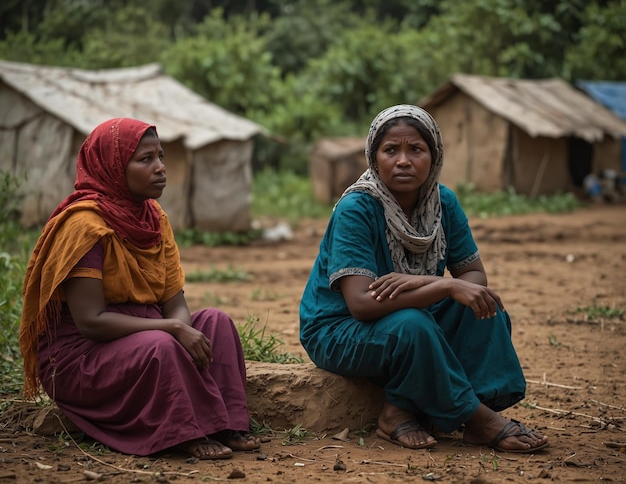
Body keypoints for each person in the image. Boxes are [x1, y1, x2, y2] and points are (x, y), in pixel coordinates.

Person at [299, 105, 549, 453]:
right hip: (337, 330)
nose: (403, 160)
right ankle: (478, 419)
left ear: (434, 156)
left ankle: (408, 408)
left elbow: (474, 277)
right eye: (391, 150)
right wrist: (443, 285)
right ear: (374, 157)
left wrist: (420, 282)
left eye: (416, 149)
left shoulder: (443, 202)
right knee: (414, 325)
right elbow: (360, 304)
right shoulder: (356, 208)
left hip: (407, 318)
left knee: (482, 307)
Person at [20, 117, 259, 460]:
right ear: (113, 167)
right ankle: (184, 431)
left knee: (216, 322)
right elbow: (91, 322)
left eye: (160, 157)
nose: (161, 168)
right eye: (145, 159)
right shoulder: (84, 226)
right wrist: (172, 329)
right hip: (81, 355)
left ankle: (224, 424)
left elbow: (174, 301)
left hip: (144, 335)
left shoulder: (154, 218)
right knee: (161, 343)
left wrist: (179, 327)